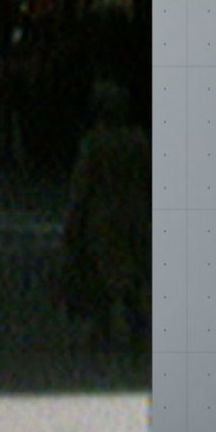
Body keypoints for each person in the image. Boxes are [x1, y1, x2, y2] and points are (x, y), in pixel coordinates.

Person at [63, 80, 151, 349]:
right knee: (135, 274)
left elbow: (82, 186)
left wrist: (73, 224)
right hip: (137, 214)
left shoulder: (94, 143)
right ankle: (138, 326)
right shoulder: (139, 141)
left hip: (101, 218)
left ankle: (101, 331)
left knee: (101, 276)